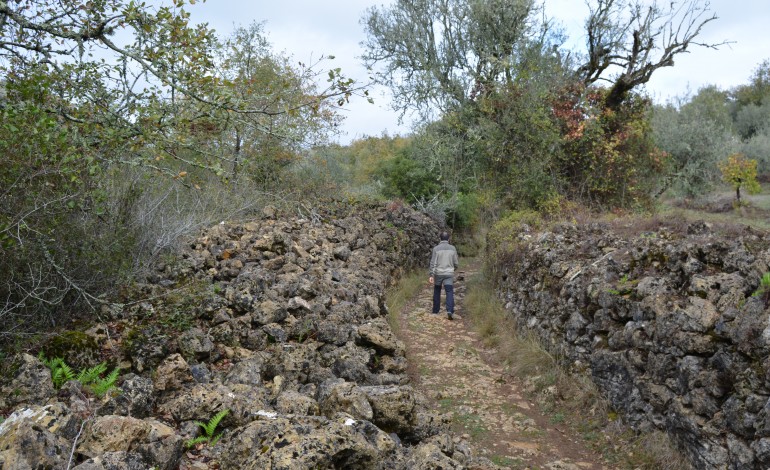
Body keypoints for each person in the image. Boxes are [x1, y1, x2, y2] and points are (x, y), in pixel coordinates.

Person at [428, 231, 459, 319]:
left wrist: (431, 275)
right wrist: (453, 269)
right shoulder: (452, 248)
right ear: (448, 239)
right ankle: (449, 310)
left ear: (440, 238)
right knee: (449, 292)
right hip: (449, 273)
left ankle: (435, 310)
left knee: (437, 291)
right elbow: (456, 262)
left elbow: (433, 262)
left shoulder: (436, 249)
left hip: (438, 273)